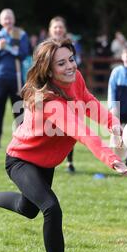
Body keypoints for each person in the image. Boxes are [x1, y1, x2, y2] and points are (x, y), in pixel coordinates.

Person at [0, 38, 127, 252]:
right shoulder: (51, 103)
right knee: (51, 209)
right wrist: (111, 159)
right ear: (49, 70)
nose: (70, 66)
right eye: (62, 63)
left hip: (46, 163)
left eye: (71, 59)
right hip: (21, 160)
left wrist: (114, 123)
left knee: (28, 209)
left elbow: (89, 102)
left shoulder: (75, 78)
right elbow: (83, 133)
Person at [0, 9, 30, 149]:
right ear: (1, 21)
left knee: (19, 112)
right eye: (5, 19)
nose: (8, 21)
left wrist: (9, 48)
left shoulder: (20, 35)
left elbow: (24, 54)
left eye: (10, 18)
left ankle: (23, 140)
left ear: (14, 19)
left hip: (16, 79)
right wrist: (0, 49)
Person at [48, 16, 76, 173]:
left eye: (60, 27)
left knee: (70, 128)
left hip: (67, 92)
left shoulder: (69, 46)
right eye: (55, 27)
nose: (58, 30)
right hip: (50, 95)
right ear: (50, 30)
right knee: (50, 129)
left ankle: (69, 161)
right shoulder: (45, 48)